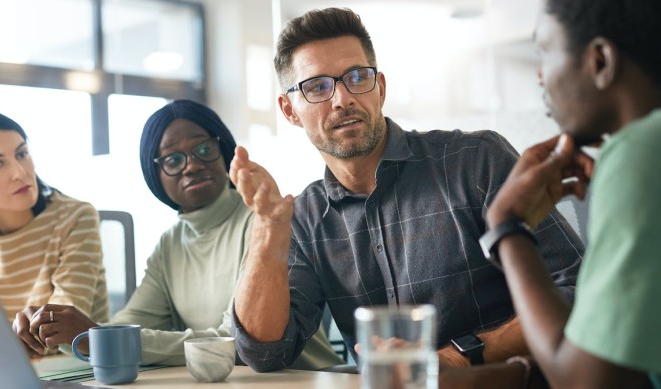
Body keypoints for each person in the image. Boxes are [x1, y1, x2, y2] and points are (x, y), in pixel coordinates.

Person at [229, 7, 585, 373]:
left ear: (379, 88)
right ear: (289, 110)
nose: (342, 99)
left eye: (357, 77)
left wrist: (459, 356)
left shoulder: (475, 160)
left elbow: (580, 290)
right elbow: (264, 353)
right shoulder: (304, 218)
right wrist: (268, 227)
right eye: (317, 87)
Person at [13, 99, 342, 369]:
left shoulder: (264, 223)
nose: (191, 166)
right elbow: (132, 323)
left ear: (224, 152)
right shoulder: (169, 244)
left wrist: (98, 336)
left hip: (302, 381)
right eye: (172, 159)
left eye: (202, 150)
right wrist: (62, 330)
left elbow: (239, 342)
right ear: (155, 174)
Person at [462, 0, 661, 387]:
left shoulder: (640, 150)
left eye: (545, 52)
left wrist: (506, 228)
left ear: (600, 61)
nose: (539, 76)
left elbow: (586, 383)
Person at [0, 107, 108, 324]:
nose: (20, 173)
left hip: (68, 357)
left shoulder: (76, 218)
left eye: (21, 154)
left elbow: (61, 329)